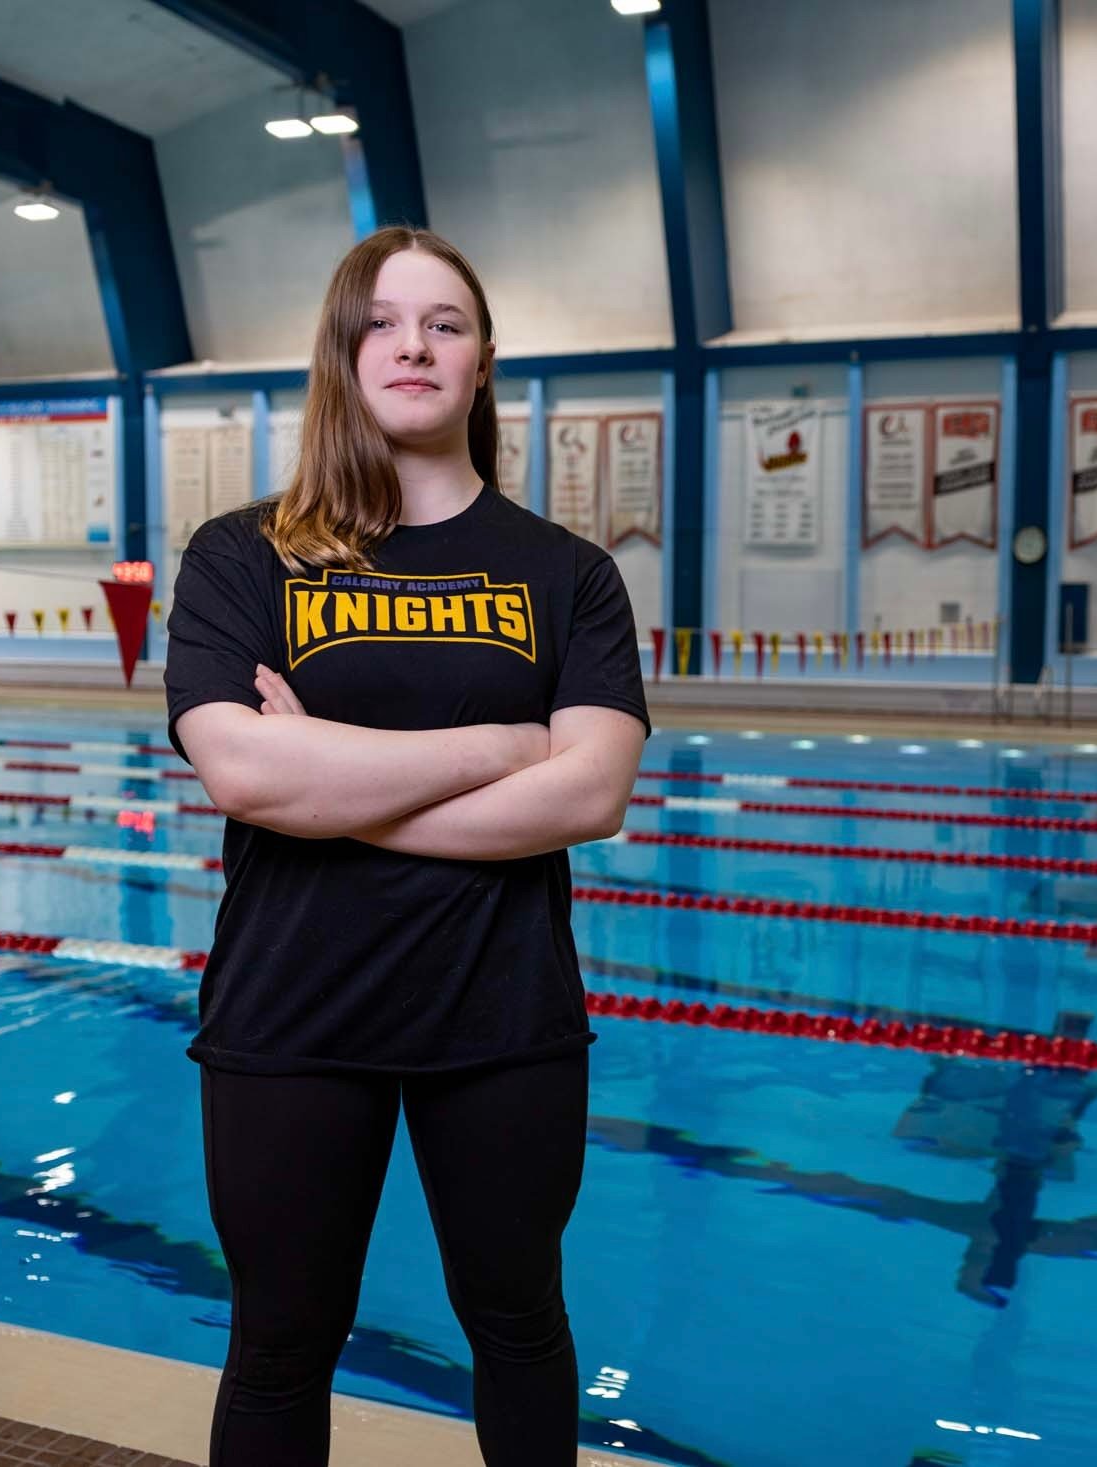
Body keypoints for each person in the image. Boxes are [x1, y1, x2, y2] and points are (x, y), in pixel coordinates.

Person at [162, 225, 650, 1466]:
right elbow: (241, 769)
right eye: (381, 320)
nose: (414, 344)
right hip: (289, 1014)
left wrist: (329, 770)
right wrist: (498, 746)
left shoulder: (569, 574)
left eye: (445, 322)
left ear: (482, 362)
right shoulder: (242, 554)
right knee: (278, 1340)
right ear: (342, 353)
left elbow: (589, 796)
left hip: (500, 1020)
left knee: (519, 1325)